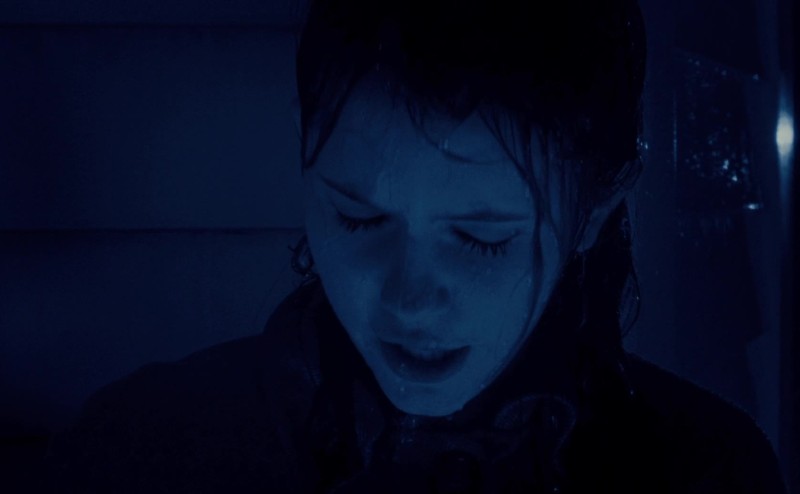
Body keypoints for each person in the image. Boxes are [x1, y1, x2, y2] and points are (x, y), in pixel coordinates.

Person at [42, 0, 787, 492]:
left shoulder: (709, 473)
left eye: (480, 238)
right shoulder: (141, 450)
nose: (408, 298)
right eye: (358, 219)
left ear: (596, 210)